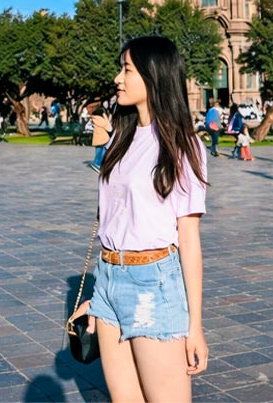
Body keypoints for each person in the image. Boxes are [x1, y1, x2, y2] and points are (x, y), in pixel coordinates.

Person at [69, 36, 208, 400]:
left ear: (153, 76)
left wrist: (195, 326)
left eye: (127, 69)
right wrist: (100, 294)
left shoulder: (182, 145)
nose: (117, 77)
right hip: (109, 279)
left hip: (154, 285)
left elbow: (189, 239)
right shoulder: (122, 139)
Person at [88, 103, 112, 171]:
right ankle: (97, 165)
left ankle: (97, 164)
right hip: (103, 139)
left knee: (99, 152)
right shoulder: (101, 120)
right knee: (102, 153)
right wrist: (105, 115)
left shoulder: (95, 119)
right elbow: (108, 127)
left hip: (98, 138)